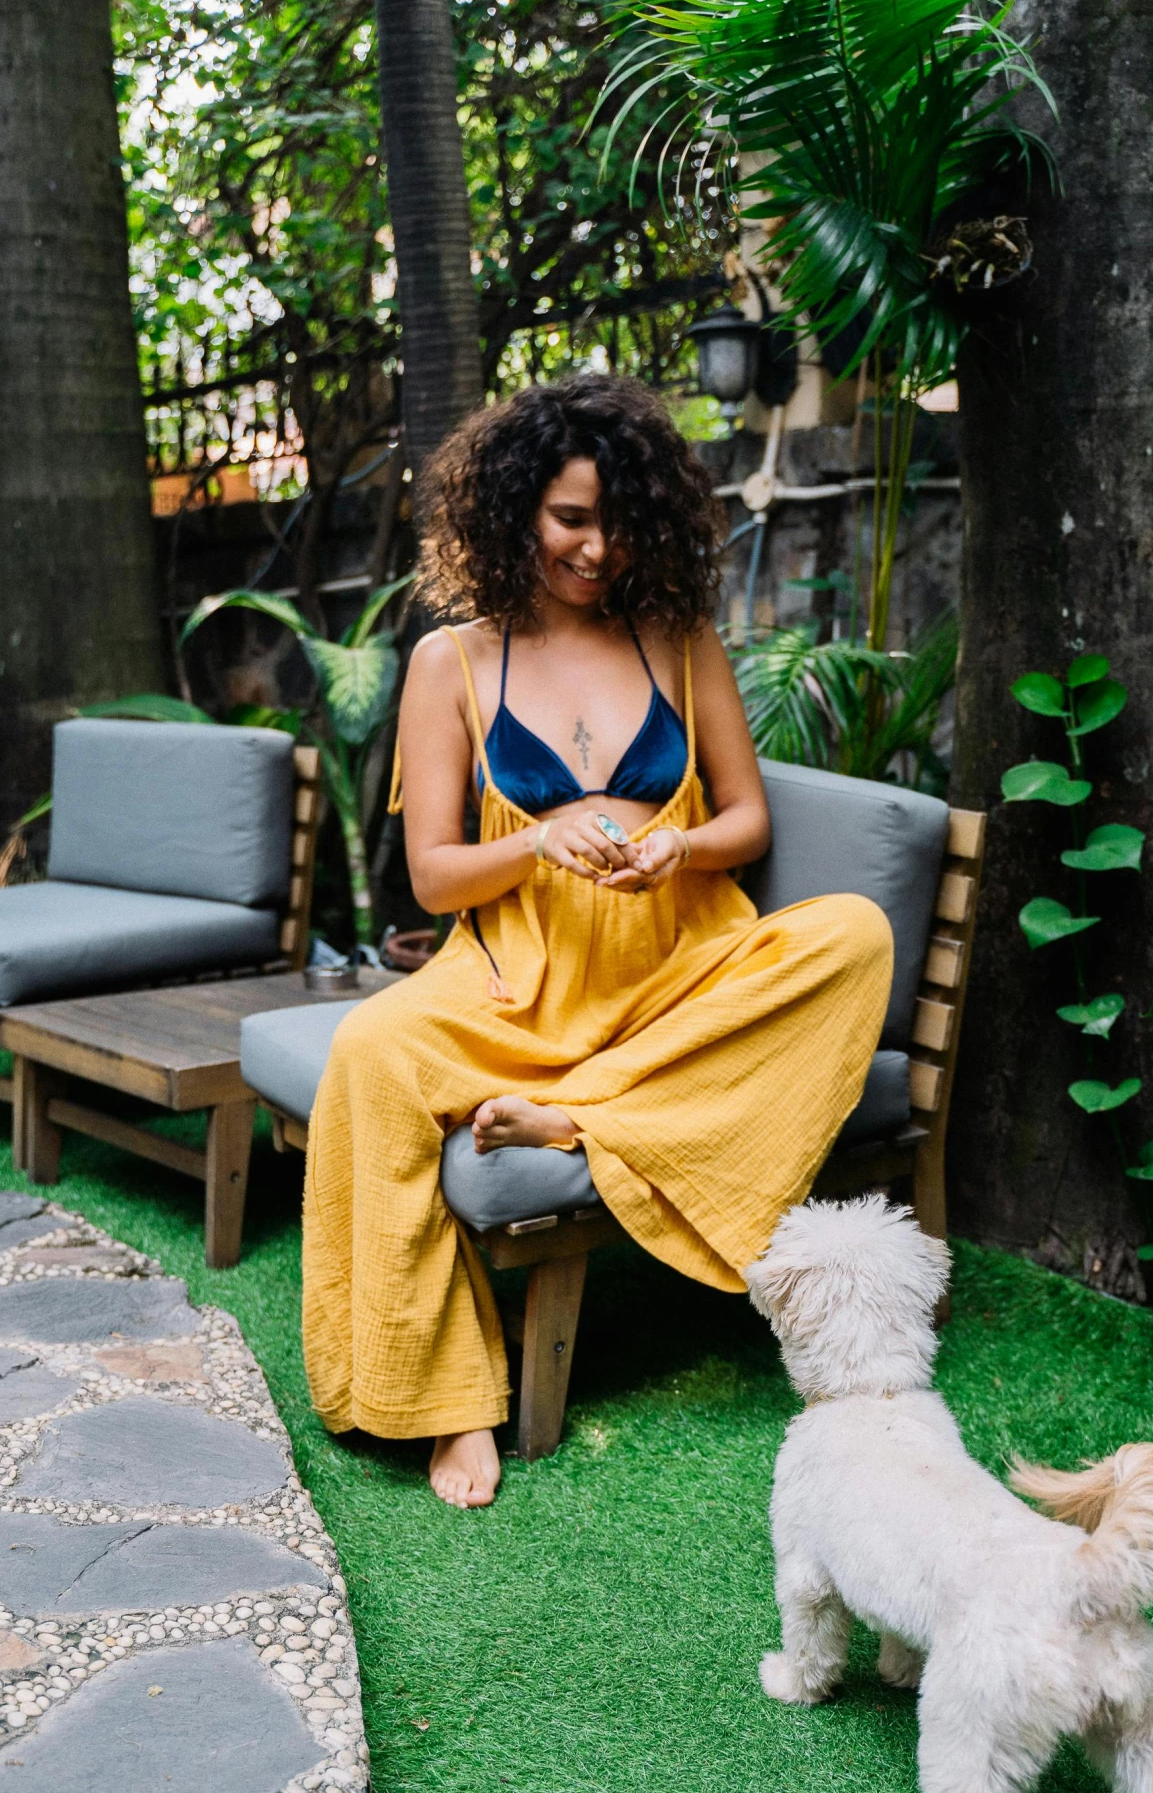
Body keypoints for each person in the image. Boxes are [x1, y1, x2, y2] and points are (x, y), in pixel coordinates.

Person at [302, 374, 893, 1508]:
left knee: (852, 934)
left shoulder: (675, 634)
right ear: (518, 506)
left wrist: (682, 849)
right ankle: (448, 1400)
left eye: (618, 521)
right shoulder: (452, 663)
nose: (595, 546)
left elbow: (745, 819)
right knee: (369, 1061)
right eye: (573, 517)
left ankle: (582, 1113)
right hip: (515, 980)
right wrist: (540, 843)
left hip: (679, 966)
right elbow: (432, 873)